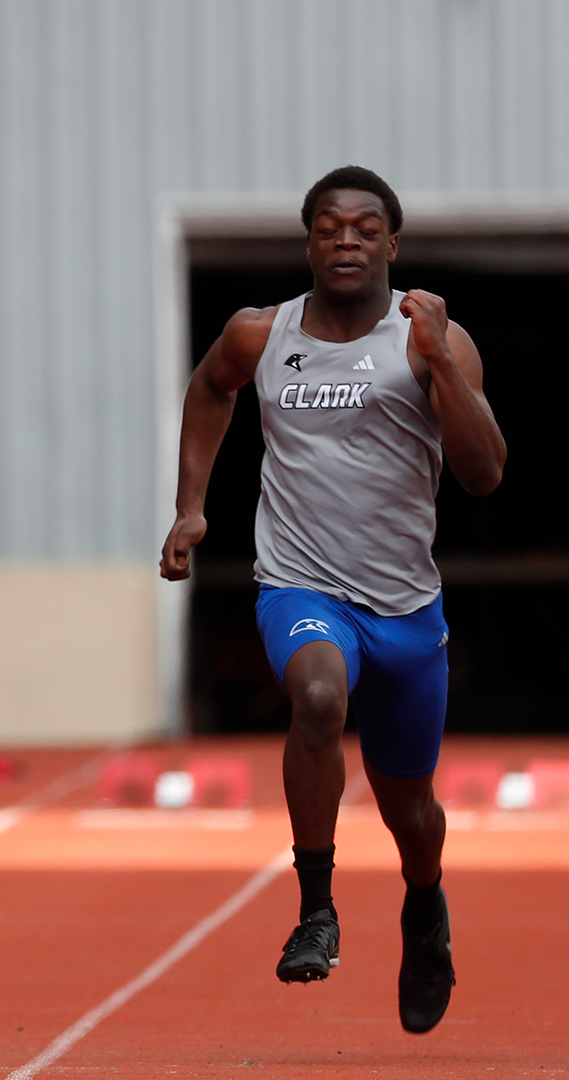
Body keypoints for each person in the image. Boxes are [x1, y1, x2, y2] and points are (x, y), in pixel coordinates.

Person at [160, 166, 505, 1034]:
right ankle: (317, 906)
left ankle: (424, 910)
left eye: (363, 228)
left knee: (412, 812)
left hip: (406, 612)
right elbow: (209, 389)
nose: (345, 240)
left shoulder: (432, 338)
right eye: (328, 226)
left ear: (393, 243)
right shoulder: (260, 334)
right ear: (308, 240)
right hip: (303, 584)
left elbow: (484, 473)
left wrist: (440, 367)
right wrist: (192, 507)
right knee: (315, 696)